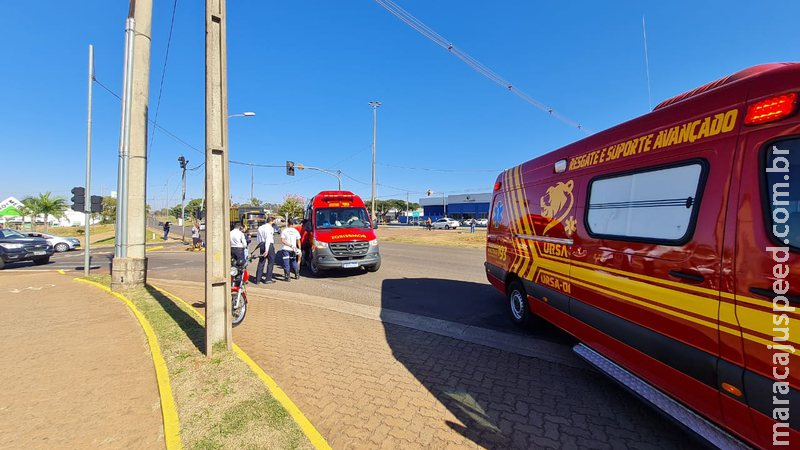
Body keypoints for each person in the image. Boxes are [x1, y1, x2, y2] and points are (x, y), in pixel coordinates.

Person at [254, 217, 276, 285]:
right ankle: (268, 279)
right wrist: (267, 249)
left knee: (261, 261)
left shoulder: (260, 227)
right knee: (270, 262)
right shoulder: (270, 228)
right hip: (268, 245)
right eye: (274, 221)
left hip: (262, 244)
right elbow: (268, 239)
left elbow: (258, 238)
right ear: (271, 221)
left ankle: (258, 279)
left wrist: (261, 245)